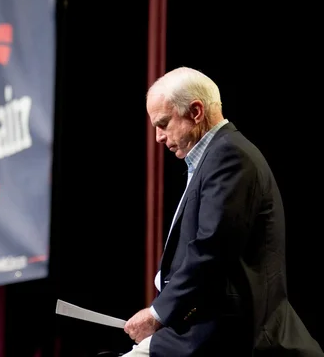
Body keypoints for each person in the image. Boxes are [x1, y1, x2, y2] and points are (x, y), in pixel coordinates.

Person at [121, 67, 323, 356]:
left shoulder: (229, 156)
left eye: (163, 123)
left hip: (225, 335)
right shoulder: (216, 156)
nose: (158, 137)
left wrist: (158, 313)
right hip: (201, 329)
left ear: (196, 112)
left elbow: (211, 250)